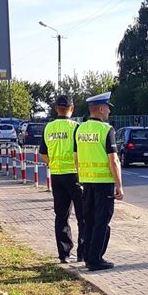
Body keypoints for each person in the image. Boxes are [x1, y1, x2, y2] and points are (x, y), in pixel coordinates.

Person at [75, 91, 124, 271]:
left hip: (86, 183)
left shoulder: (79, 130)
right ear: (101, 109)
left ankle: (88, 256)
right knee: (101, 222)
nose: (109, 112)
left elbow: (76, 157)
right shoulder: (106, 130)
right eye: (108, 109)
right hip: (104, 184)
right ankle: (95, 260)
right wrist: (119, 185)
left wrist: (81, 177)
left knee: (89, 221)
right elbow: (114, 160)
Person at [40, 95, 85, 264]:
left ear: (56, 108)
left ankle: (64, 254)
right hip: (74, 175)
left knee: (61, 216)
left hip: (57, 176)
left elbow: (43, 154)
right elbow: (78, 153)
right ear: (72, 109)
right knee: (83, 216)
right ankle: (82, 252)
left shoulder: (48, 128)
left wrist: (52, 164)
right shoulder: (76, 127)